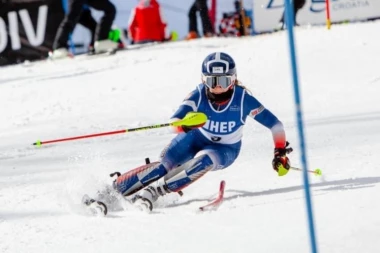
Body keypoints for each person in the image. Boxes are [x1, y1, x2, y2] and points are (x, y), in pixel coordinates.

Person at [100, 52, 292, 212]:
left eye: (224, 81)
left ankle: (154, 192)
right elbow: (174, 122)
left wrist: (279, 151)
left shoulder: (243, 100)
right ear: (204, 80)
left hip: (225, 149)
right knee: (162, 166)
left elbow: (276, 125)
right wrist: (183, 125)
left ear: (233, 80)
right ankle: (110, 192)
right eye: (212, 81)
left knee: (205, 159)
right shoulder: (198, 94)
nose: (218, 87)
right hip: (194, 138)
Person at [51, 0, 117, 59]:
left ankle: (101, 41)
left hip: (84, 9)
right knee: (72, 17)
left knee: (110, 9)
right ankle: (59, 47)